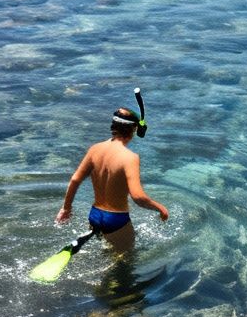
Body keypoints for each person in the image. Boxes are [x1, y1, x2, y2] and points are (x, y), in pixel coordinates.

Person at [56, 106, 169, 251]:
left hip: (94, 215)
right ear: (134, 129)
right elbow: (138, 197)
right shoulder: (130, 158)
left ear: (114, 126)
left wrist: (66, 209)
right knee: (125, 261)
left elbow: (75, 180)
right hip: (116, 219)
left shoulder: (95, 149)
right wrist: (160, 209)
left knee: (107, 252)